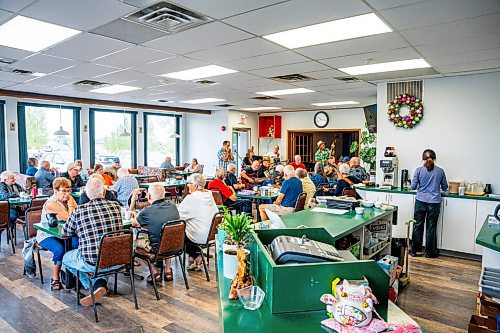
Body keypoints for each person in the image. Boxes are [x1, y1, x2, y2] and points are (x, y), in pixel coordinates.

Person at [62, 177, 123, 306]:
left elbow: (66, 232)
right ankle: (100, 284)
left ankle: (92, 285)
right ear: (104, 192)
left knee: (66, 258)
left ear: (87, 194)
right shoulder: (116, 206)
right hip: (118, 259)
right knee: (104, 256)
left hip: (92, 262)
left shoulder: (80, 211)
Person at [131, 183, 180, 283]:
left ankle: (154, 272)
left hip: (156, 249)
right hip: (175, 245)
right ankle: (168, 270)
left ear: (149, 196)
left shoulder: (147, 210)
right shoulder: (173, 206)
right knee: (168, 237)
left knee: (134, 243)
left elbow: (134, 224)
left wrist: (136, 215)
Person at [36, 177, 78, 290]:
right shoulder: (51, 203)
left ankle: (72, 275)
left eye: (69, 190)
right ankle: (55, 278)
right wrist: (70, 204)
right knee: (60, 250)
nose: (67, 194)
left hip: (65, 234)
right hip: (47, 235)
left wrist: (70, 203)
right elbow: (70, 218)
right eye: (64, 191)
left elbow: (78, 216)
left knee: (77, 244)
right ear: (55, 191)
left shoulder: (69, 199)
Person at [410, 149, 448, 258]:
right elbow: (445, 187)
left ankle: (414, 251)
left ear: (423, 159)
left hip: (420, 201)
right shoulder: (440, 171)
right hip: (434, 202)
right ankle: (429, 252)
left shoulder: (418, 170)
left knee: (417, 225)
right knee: (431, 227)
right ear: (434, 158)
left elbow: (413, 187)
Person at [178, 174, 218, 271]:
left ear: (195, 186)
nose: (187, 186)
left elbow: (178, 216)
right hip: (212, 234)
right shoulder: (209, 194)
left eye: (189, 183)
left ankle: (196, 257)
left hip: (199, 236)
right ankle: (194, 257)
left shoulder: (192, 197)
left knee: (175, 233)